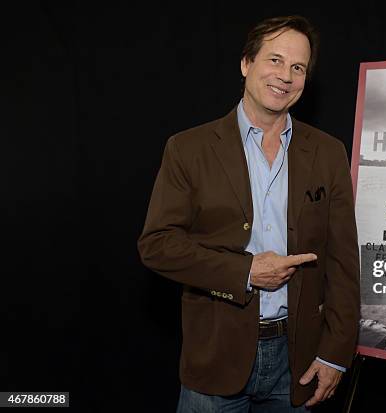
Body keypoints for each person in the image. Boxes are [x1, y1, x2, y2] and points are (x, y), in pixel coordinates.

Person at [137, 15, 360, 412]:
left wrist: (336, 354)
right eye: (275, 60)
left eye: (298, 67)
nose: (285, 76)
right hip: (216, 355)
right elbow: (157, 245)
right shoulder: (188, 148)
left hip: (299, 360)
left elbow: (343, 262)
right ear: (246, 64)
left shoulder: (328, 152)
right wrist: (245, 272)